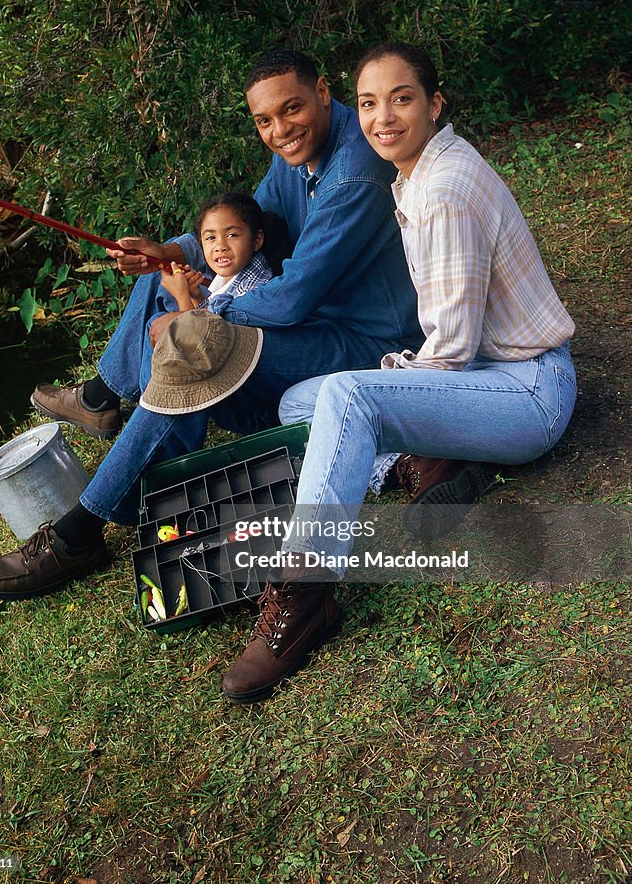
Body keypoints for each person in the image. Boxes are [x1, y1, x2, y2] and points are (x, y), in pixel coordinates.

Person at [0, 48, 442, 602]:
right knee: (168, 272)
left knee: (191, 343)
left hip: (364, 342)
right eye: (264, 121)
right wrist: (171, 252)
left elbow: (291, 299)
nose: (279, 130)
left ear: (323, 91)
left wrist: (197, 316)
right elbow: (253, 219)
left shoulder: (353, 173)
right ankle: (105, 400)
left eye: (291, 110)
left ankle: (80, 532)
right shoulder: (300, 152)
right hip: (315, 323)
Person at [221, 42, 577, 704]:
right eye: (367, 103)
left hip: (527, 392)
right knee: (305, 400)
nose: (382, 117)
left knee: (349, 397)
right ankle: (424, 465)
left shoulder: (440, 190)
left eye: (401, 98)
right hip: (492, 378)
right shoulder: (416, 170)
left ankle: (304, 594)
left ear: (434, 104)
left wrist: (381, 380)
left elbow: (446, 355)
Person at [159, 191, 275, 313]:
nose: (220, 246)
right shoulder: (230, 279)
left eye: (231, 235)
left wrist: (182, 296)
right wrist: (196, 296)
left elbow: (196, 331)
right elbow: (210, 317)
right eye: (210, 238)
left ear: (257, 240)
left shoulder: (252, 292)